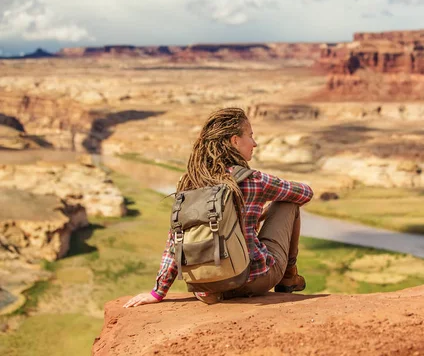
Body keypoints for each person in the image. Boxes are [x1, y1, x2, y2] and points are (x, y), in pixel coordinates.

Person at [124, 107, 313, 308]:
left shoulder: (190, 181)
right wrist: (264, 210)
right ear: (235, 141)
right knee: (287, 204)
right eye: (250, 136)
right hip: (251, 280)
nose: (254, 143)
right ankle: (289, 277)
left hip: (206, 289)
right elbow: (305, 193)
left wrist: (158, 291)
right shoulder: (254, 180)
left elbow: (175, 239)